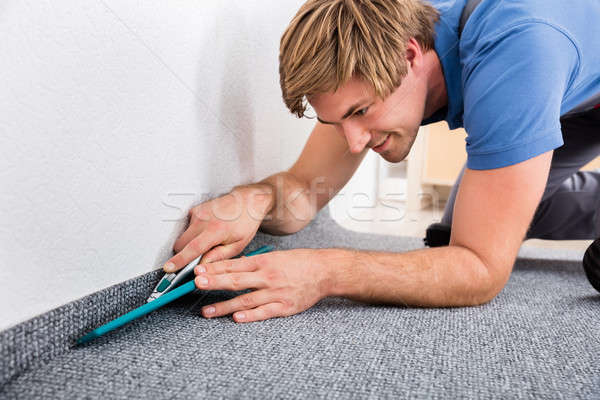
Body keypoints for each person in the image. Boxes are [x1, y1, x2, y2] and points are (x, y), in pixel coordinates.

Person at [162, 0, 600, 323]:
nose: (353, 143)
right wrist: (253, 201)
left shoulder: (515, 55)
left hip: (545, 67)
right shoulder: (380, 45)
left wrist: (324, 271)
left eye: (360, 113)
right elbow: (302, 188)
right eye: (337, 121)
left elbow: (480, 270)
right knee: (463, 229)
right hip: (569, 85)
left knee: (477, 246)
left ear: (410, 57)